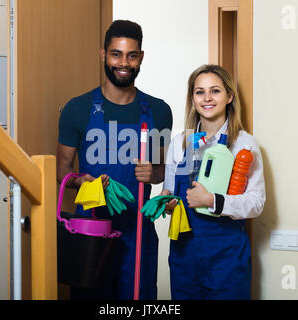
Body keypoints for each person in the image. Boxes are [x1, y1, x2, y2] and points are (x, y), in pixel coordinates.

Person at [57, 20, 173, 300]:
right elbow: (62, 168)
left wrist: (153, 174)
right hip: (91, 232)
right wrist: (80, 180)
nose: (124, 63)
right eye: (116, 54)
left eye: (132, 55)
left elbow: (160, 173)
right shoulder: (78, 108)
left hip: (138, 233)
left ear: (141, 57)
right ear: (103, 55)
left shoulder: (158, 111)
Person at [161, 64, 265, 300]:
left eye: (215, 91)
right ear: (192, 98)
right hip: (184, 255)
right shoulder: (180, 143)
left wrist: (212, 200)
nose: (207, 98)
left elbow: (257, 203)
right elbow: (169, 190)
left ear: (229, 96)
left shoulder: (245, 144)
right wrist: (166, 202)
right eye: (200, 92)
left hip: (226, 258)